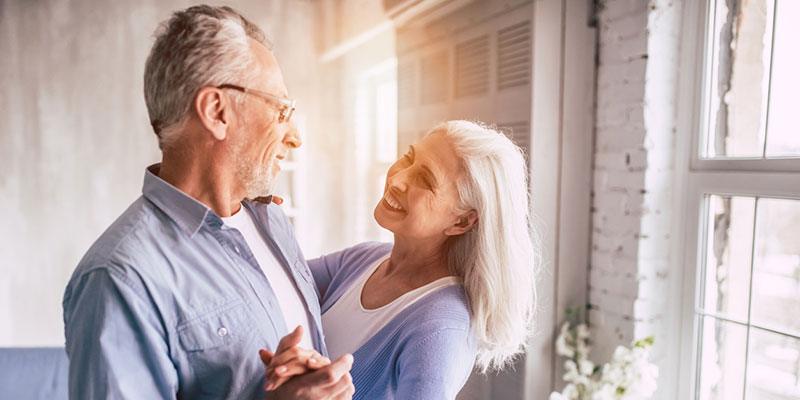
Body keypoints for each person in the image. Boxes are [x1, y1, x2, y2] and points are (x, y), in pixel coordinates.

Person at [62, 5, 353, 399]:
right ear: (217, 112)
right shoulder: (119, 279)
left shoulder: (272, 222)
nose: (294, 136)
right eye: (282, 110)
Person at [262, 120, 537, 399]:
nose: (397, 179)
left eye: (426, 180)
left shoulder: (440, 330)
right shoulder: (364, 259)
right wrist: (260, 223)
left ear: (462, 221)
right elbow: (268, 289)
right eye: (408, 158)